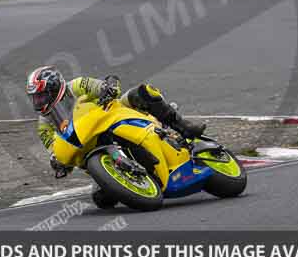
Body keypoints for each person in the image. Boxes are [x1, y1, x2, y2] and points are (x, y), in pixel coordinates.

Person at [25, 66, 206, 207]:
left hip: (112, 116)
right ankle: (128, 178)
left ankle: (183, 126)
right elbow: (54, 148)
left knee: (142, 92)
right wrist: (58, 162)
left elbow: (105, 85)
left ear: (55, 88)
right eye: (35, 98)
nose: (38, 102)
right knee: (102, 200)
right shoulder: (44, 125)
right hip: (89, 149)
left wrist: (109, 87)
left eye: (41, 96)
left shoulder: (77, 85)